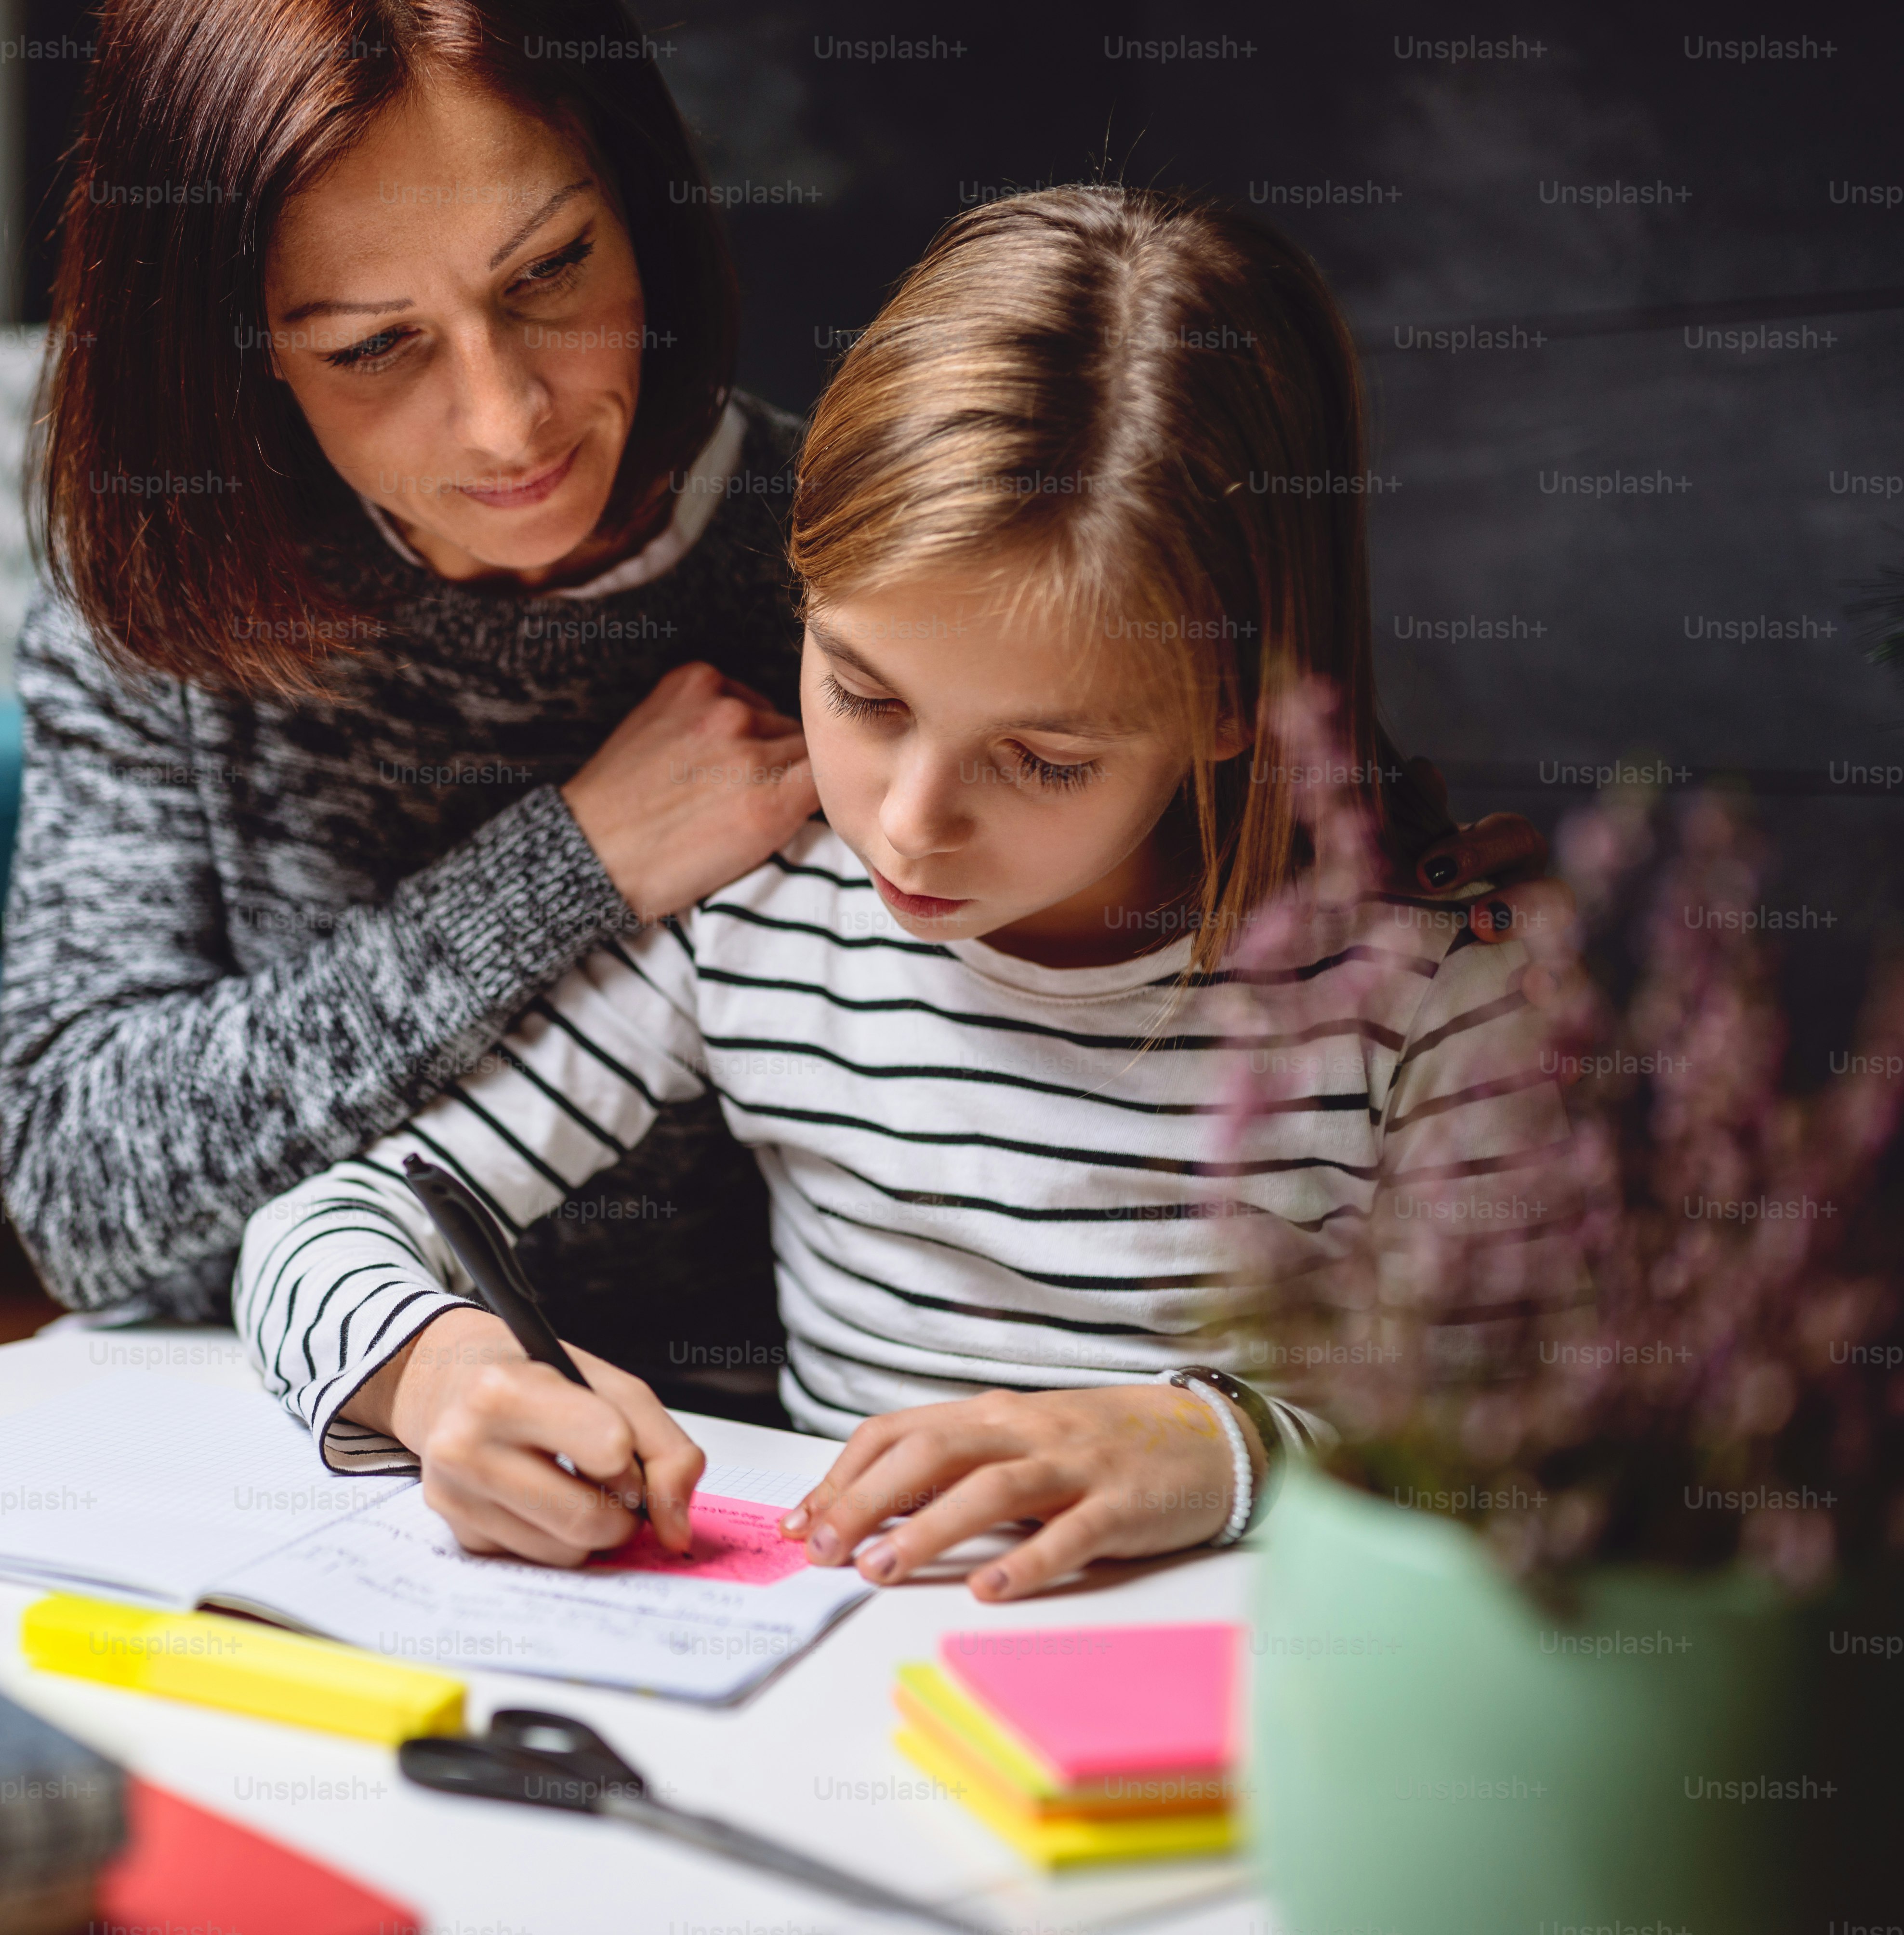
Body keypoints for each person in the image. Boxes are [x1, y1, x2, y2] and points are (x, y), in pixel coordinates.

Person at [0, 0, 1553, 1418]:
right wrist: (564, 870)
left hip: (750, 1457)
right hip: (288, 1415)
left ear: (645, 214)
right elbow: (83, 1198)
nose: (507, 416)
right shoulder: (162, 582)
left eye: (552, 272)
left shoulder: (885, 544)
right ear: (237, 355)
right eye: (371, 346)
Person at [231, 186, 1571, 1602]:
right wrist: (444, 1379)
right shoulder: (761, 920)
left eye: (1045, 761)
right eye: (863, 695)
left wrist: (1215, 1448)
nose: (913, 827)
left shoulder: (1431, 991)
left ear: (1235, 705)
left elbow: (1522, 1444)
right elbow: (315, 1228)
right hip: (828, 1692)